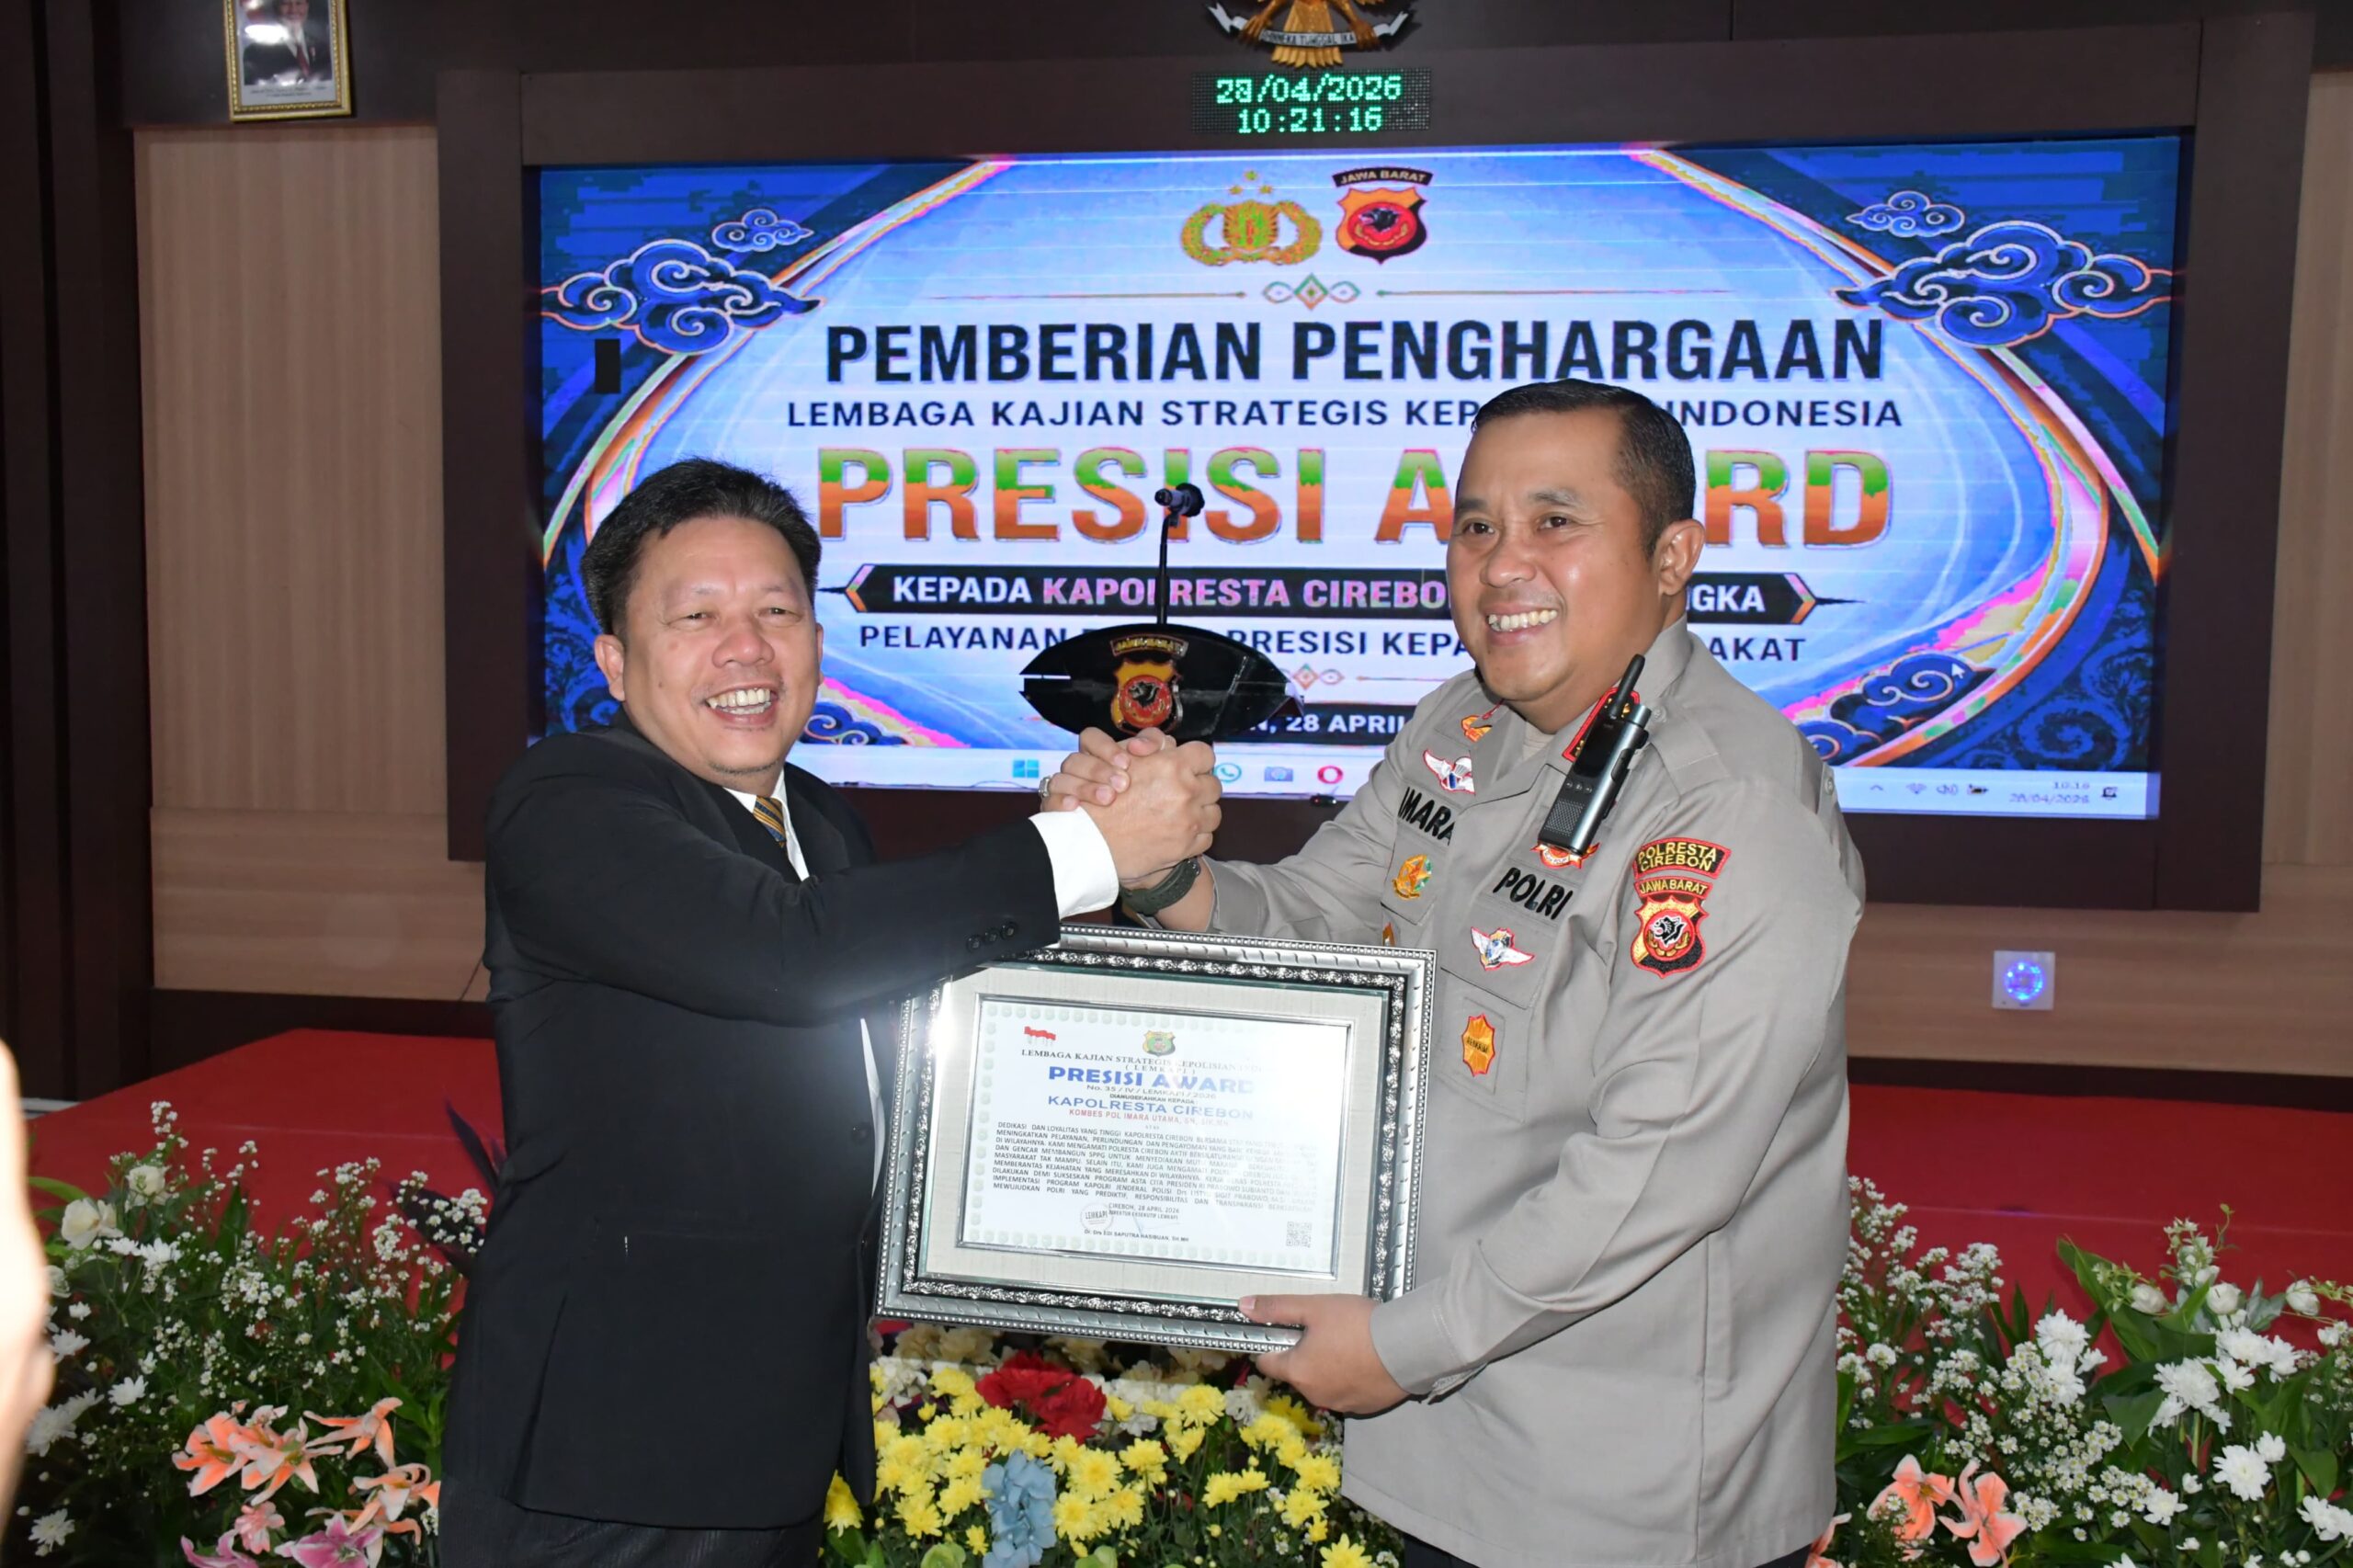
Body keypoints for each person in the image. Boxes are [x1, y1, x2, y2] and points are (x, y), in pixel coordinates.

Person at [1048, 379, 1861, 1568]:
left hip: (1618, 1496)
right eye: (1476, 525)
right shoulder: (1462, 725)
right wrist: (1162, 871)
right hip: (1446, 1447)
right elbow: (1320, 917)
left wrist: (1399, 1344)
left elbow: (1657, 1171)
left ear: (1673, 555)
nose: (1501, 563)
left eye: (1555, 521)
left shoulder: (1726, 805)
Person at [441, 458, 1218, 1565]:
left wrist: (1079, 829)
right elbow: (784, 954)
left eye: (776, 612)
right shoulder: (567, 798)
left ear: (816, 641)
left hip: (774, 1433)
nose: (744, 648)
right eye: (696, 616)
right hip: (609, 1448)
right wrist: (1081, 849)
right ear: (613, 661)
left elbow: (895, 1012)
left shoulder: (818, 818)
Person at [241, 0, 332, 85]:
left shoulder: (322, 49)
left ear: (307, 6)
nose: (293, 10)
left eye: (299, 3)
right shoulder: (255, 53)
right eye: (285, 3)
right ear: (276, 7)